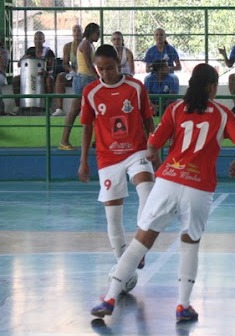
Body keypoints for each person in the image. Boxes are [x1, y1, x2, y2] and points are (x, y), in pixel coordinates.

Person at [90, 63, 235, 322]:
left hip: (167, 181)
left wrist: (153, 154)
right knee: (190, 244)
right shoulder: (223, 114)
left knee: (141, 241)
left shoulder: (175, 108)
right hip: (199, 188)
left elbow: (153, 143)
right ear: (212, 87)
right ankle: (182, 306)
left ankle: (109, 298)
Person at [78, 44, 157, 270]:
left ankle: (138, 248)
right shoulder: (91, 92)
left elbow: (148, 120)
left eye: (109, 68)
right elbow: (86, 127)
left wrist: (153, 147)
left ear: (119, 64)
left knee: (147, 191)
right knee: (112, 214)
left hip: (136, 151)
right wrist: (84, 161)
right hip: (107, 157)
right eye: (100, 69)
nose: (105, 73)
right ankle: (124, 263)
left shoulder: (135, 87)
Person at [58, 23, 100, 150]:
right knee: (75, 110)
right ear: (91, 32)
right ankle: (64, 140)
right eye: (97, 33)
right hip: (83, 79)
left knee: (95, 110)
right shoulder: (86, 44)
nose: (99, 35)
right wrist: (99, 79)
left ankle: (96, 140)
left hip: (87, 79)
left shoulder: (90, 44)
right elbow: (88, 64)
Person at [11, 31, 55, 113]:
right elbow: (20, 64)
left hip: (44, 75)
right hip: (29, 75)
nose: (38, 41)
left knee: (49, 80)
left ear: (44, 40)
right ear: (33, 40)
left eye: (40, 39)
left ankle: (48, 107)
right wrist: (24, 58)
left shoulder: (49, 52)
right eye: (36, 39)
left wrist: (46, 73)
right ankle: (18, 106)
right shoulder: (30, 50)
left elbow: (51, 68)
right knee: (15, 80)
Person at [52, 24, 83, 117]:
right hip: (74, 75)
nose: (77, 33)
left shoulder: (87, 45)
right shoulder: (68, 46)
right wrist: (71, 70)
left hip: (84, 75)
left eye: (79, 31)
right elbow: (65, 63)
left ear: (83, 33)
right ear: (72, 34)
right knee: (60, 77)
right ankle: (59, 109)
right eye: (75, 31)